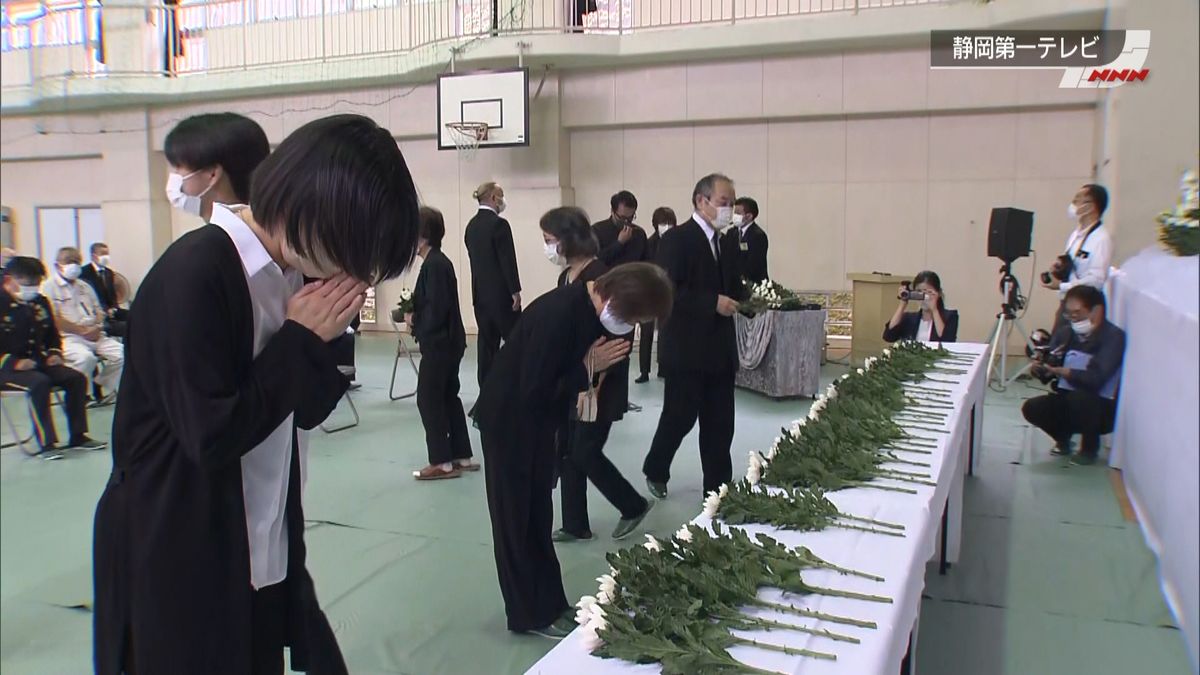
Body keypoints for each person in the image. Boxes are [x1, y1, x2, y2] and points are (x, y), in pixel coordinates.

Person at [92, 113, 421, 675]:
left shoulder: (293, 275)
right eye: (350, 249)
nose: (351, 270)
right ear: (306, 210)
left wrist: (321, 334)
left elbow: (309, 408)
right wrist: (298, 339)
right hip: (180, 538)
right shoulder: (196, 273)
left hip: (262, 528)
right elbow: (210, 434)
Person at [472, 251, 672, 639]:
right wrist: (586, 367)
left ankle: (550, 605)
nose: (628, 326)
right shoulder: (559, 313)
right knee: (516, 522)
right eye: (632, 318)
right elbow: (534, 387)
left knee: (537, 518)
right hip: (510, 422)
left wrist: (585, 367)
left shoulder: (588, 308)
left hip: (537, 423)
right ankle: (527, 613)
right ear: (618, 299)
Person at [541, 208, 654, 543]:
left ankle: (631, 504)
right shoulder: (567, 277)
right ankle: (575, 523)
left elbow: (622, 329)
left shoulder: (601, 277)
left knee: (584, 451)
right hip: (574, 378)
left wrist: (599, 368)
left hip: (599, 382)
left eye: (549, 241)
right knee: (568, 450)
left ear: (567, 241)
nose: (547, 248)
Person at [642, 174, 747, 499]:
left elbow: (731, 285)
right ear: (701, 201)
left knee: (720, 425)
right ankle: (656, 468)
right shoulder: (677, 239)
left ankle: (716, 491)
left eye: (732, 203)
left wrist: (752, 301)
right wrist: (711, 302)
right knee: (680, 417)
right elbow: (668, 290)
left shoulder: (725, 242)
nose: (730, 210)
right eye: (724, 203)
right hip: (686, 350)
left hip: (719, 351)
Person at [1, 256, 105, 453]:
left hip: (38, 362)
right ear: (8, 280)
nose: (32, 288)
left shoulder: (39, 302)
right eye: (27, 284)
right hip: (7, 369)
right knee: (39, 383)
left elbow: (52, 334)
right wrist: (13, 363)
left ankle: (78, 435)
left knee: (76, 378)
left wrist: (54, 352)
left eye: (36, 283)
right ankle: (47, 443)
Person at [1022, 285, 1125, 466]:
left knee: (1082, 398)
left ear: (1097, 311)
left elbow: (1097, 379)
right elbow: (1052, 366)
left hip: (1101, 407)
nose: (1072, 318)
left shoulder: (1113, 337)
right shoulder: (1066, 333)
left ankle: (1089, 449)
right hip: (1068, 398)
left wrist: (1066, 372)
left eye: (1077, 313)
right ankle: (1062, 439)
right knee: (1032, 407)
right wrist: (1042, 369)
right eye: (1068, 313)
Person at [408, 206, 475, 480]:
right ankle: (461, 455)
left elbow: (436, 310)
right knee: (448, 397)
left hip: (439, 344)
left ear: (422, 236)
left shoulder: (434, 266)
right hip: (449, 343)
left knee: (428, 399)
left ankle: (440, 460)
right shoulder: (439, 262)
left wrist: (415, 320)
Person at [41, 246, 124, 405]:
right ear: (57, 265)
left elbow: (99, 310)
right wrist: (81, 331)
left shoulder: (84, 286)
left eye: (77, 261)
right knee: (86, 358)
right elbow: (53, 319)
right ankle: (78, 396)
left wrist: (98, 327)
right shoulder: (49, 288)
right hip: (69, 337)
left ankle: (101, 384)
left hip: (95, 333)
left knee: (123, 354)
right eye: (69, 261)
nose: (74, 265)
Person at [164, 112, 273, 223]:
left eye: (178, 166)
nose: (174, 175)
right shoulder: (272, 232)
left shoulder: (206, 240)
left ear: (212, 174)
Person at [464, 181, 522, 387]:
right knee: (517, 341)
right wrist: (514, 291)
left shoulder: (471, 227)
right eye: (501, 195)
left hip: (480, 297)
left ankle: (486, 392)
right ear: (493, 198)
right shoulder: (499, 225)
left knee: (486, 345)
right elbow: (507, 261)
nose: (503, 200)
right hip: (502, 297)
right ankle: (515, 387)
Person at [1042, 184, 1112, 332]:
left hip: (1084, 309)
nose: (1073, 205)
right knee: (1057, 349)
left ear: (1091, 206)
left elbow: (1097, 281)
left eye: (1077, 200)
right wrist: (1058, 269)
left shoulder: (1101, 239)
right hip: (1067, 303)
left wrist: (1062, 286)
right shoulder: (1076, 234)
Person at [636, 206, 676, 384]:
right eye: (662, 223)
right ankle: (644, 371)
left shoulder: (677, 242)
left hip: (670, 292)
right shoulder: (648, 243)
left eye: (669, 223)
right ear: (655, 224)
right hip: (649, 292)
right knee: (646, 332)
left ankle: (664, 367)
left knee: (667, 331)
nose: (666, 226)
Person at [882, 270, 959, 343]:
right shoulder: (909, 318)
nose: (923, 296)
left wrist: (934, 310)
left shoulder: (951, 316)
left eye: (928, 292)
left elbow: (947, 340)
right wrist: (902, 304)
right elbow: (888, 336)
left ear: (938, 293)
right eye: (919, 292)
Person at [80, 242, 129, 338]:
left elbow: (113, 295)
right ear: (94, 256)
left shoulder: (109, 273)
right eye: (103, 254)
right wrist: (105, 311)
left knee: (134, 316)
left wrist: (114, 308)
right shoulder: (84, 273)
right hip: (98, 315)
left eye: (107, 254)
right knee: (126, 327)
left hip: (113, 311)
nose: (106, 257)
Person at [592, 190, 647, 269]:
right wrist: (619, 243)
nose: (626, 222)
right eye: (622, 218)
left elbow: (646, 262)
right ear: (612, 212)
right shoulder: (597, 230)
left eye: (630, 218)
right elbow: (594, 261)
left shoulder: (639, 233)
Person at [729, 197, 769, 284]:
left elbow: (754, 265)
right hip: (734, 284)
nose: (735, 216)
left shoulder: (758, 236)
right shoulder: (731, 233)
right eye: (734, 212)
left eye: (738, 213)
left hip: (753, 284)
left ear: (749, 216)